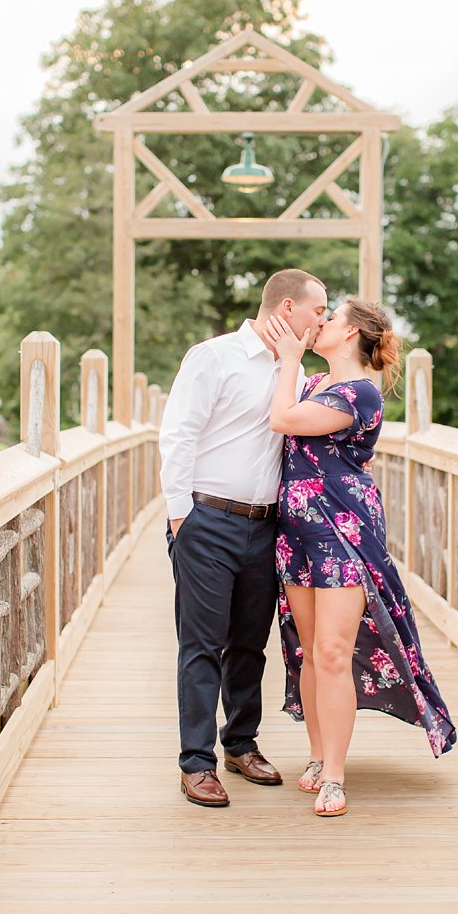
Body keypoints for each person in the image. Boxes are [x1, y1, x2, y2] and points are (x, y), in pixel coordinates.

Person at [263, 299, 457, 817]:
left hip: (341, 531)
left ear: (350, 332)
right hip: (295, 531)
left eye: (329, 318)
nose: (318, 323)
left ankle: (335, 776)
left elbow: (281, 420)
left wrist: (287, 358)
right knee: (306, 649)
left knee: (331, 651)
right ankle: (315, 755)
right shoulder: (311, 385)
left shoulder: (359, 392)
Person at [159, 269, 329, 807]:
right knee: (202, 643)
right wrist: (179, 515)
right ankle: (195, 763)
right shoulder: (213, 357)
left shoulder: (297, 374)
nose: (321, 320)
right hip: (207, 519)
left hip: (268, 524)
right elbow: (178, 432)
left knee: (251, 645)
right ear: (286, 308)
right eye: (318, 310)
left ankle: (241, 743)